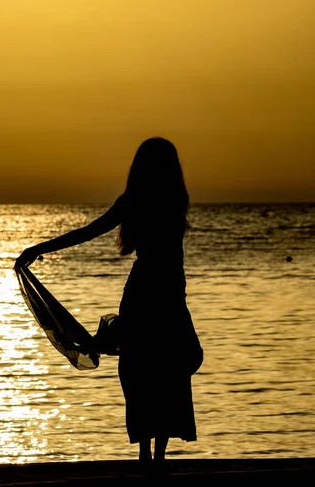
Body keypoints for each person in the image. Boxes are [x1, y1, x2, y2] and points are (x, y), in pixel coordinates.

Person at [15, 136, 202, 471]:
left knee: (143, 370)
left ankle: (147, 455)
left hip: (147, 292)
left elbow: (89, 232)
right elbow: (93, 232)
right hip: (167, 293)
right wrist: (40, 247)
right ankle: (155, 457)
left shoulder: (136, 200)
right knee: (166, 369)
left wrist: (39, 248)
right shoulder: (175, 200)